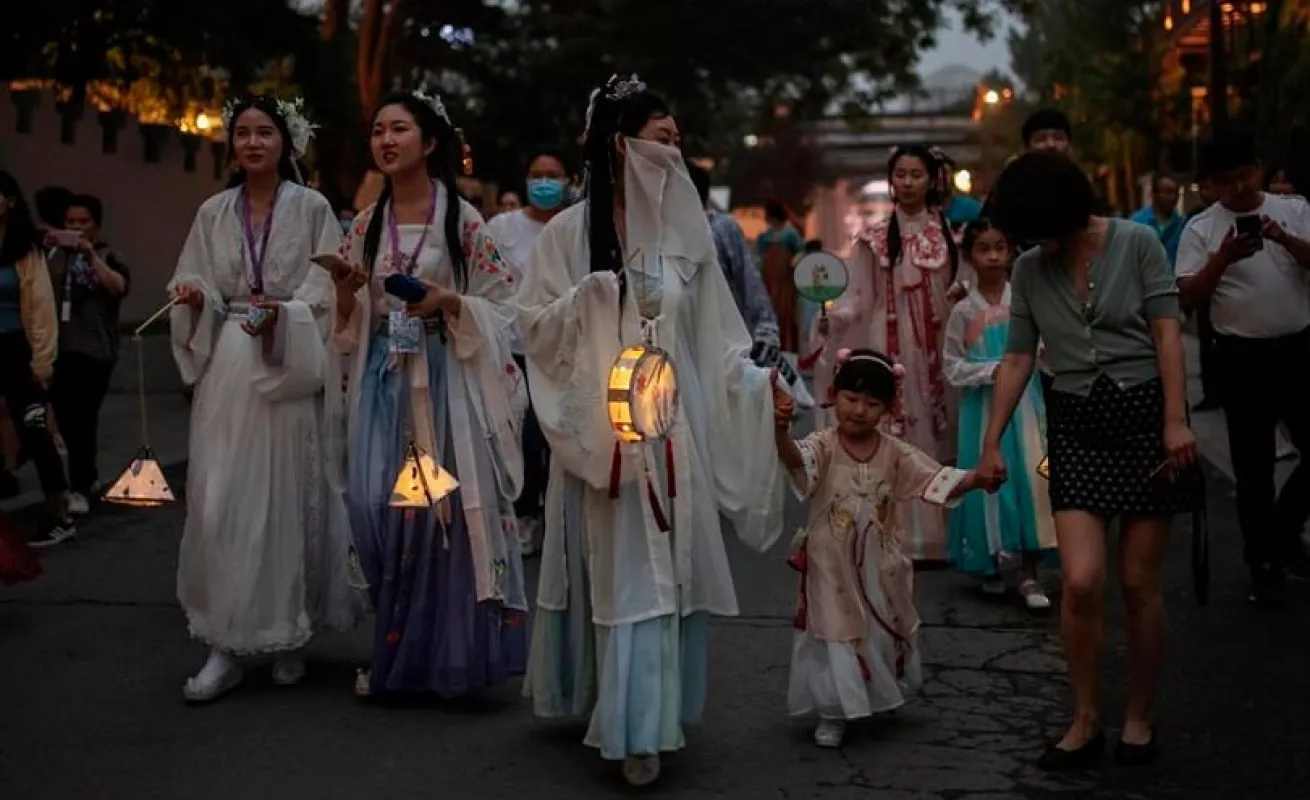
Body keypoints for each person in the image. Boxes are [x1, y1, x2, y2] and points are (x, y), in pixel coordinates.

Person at [516, 73, 794, 787]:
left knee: (655, 577)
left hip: (670, 431)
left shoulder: (684, 233)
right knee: (616, 572)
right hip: (603, 432)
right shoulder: (570, 235)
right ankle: (619, 710)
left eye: (679, 142)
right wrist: (587, 298)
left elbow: (717, 339)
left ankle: (644, 722)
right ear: (621, 144)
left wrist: (763, 385)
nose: (675, 152)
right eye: (662, 139)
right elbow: (534, 328)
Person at [980, 151, 1200, 769]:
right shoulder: (1030, 269)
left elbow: (1165, 333)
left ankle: (1138, 715)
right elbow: (1019, 358)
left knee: (1137, 583)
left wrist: (1176, 420)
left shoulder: (1137, 243)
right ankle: (1084, 718)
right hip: (1075, 423)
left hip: (1146, 422)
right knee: (1079, 581)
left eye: (1037, 227)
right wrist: (991, 440)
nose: (1033, 242)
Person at [331, 90, 528, 699]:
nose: (386, 140)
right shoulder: (364, 224)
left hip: (445, 380)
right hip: (383, 377)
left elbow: (504, 305)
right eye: (377, 130)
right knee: (372, 506)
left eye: (400, 129)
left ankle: (443, 659)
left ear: (431, 142)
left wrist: (448, 302)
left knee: (437, 520)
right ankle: (400, 646)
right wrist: (345, 289)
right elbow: (346, 317)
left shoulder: (463, 221)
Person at [168, 95, 362, 702]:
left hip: (288, 356)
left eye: (265, 133)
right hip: (231, 360)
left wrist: (287, 314)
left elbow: (330, 281)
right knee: (222, 499)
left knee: (286, 496)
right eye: (243, 133)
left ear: (287, 142)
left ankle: (289, 632)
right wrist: (195, 296)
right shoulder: (212, 211)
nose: (253, 143)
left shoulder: (312, 207)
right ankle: (223, 642)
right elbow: (197, 273)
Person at [774, 348, 982, 748]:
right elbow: (795, 460)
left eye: (873, 404)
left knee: (879, 624)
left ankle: (874, 694)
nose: (859, 410)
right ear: (834, 395)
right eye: (851, 399)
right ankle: (833, 710)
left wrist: (975, 479)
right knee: (834, 630)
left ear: (888, 408)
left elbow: (933, 479)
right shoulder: (824, 445)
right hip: (830, 566)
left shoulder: (895, 452)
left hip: (879, 564)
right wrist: (780, 430)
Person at [1175, 129, 1310, 603]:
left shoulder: (1294, 210)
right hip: (1242, 357)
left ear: (1259, 166)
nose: (1242, 186)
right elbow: (1187, 296)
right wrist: (1223, 259)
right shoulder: (1201, 228)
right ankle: (1265, 560)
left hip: (1299, 347)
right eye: (1229, 180)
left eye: (1248, 173)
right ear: (1210, 184)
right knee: (1252, 467)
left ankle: (1284, 527)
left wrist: (1285, 240)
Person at [813, 144, 959, 561]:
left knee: (939, 429)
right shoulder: (875, 240)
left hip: (938, 343)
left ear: (931, 179)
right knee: (897, 432)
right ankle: (894, 531)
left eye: (916, 174)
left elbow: (959, 288)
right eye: (901, 175)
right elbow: (860, 298)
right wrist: (834, 319)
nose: (907, 182)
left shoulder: (952, 235)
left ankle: (944, 535)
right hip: (891, 344)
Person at [943, 219, 1055, 608]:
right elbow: (952, 365)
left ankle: (1029, 572)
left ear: (1011, 252)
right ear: (969, 255)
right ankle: (989, 561)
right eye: (983, 248)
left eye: (1000, 247)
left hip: (1026, 403)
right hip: (983, 408)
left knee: (1031, 477)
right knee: (986, 478)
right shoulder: (962, 311)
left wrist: (1032, 362)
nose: (992, 256)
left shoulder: (1024, 301)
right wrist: (992, 371)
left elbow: (1044, 348)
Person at [486, 146, 575, 557]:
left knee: (554, 435)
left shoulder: (576, 228)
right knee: (522, 437)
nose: (544, 182)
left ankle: (554, 516)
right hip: (515, 349)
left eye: (552, 174)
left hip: (561, 352)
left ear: (568, 181)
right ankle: (523, 515)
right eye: (536, 174)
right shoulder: (502, 227)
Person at [0, 171, 73, 547]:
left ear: (9, 200)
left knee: (34, 427)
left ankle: (57, 512)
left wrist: (42, 363)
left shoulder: (25, 249)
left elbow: (42, 306)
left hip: (16, 348)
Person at [48, 194, 130, 517]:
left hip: (94, 349)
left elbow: (118, 286)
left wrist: (90, 255)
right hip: (58, 347)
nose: (77, 228)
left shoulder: (108, 255)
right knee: (66, 420)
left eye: (83, 222)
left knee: (82, 418)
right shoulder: (54, 255)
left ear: (96, 224)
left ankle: (80, 486)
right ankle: (86, 478)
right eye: (71, 222)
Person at [685, 160, 780, 346]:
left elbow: (750, 285)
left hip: (727, 346)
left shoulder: (720, 228)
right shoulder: (654, 233)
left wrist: (765, 338)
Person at [1187, 171, 1222, 412]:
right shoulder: (1195, 220)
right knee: (1207, 346)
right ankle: (1212, 394)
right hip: (1204, 291)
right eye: (1202, 187)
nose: (1205, 192)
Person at [757, 197, 806, 352]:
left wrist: (793, 263)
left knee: (787, 315)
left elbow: (800, 251)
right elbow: (760, 256)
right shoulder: (765, 236)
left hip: (786, 281)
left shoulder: (789, 234)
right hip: (769, 280)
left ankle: (789, 350)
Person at [1130, 175, 1185, 272]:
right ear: (1154, 195)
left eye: (1176, 193)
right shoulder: (1137, 222)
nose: (1173, 197)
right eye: (1168, 192)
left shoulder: (1183, 223)